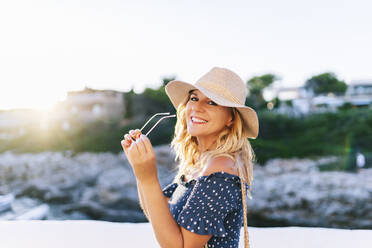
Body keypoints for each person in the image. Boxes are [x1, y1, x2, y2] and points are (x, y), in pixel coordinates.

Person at [121, 67, 259, 248]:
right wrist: (139, 168)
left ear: (230, 119)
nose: (196, 107)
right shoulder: (199, 164)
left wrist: (147, 177)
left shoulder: (222, 170)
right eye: (194, 98)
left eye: (212, 103)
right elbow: (158, 213)